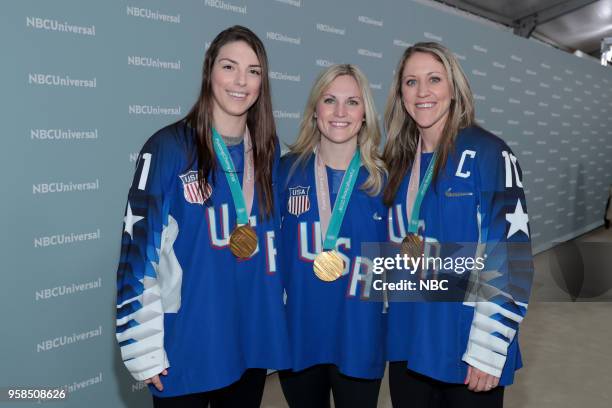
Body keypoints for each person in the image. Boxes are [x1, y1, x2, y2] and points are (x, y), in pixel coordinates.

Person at [115, 25, 289, 407]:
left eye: (254, 71)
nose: (241, 81)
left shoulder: (268, 152)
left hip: (249, 341)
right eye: (230, 67)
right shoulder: (168, 148)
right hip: (188, 345)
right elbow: (137, 253)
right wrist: (141, 347)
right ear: (209, 71)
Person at [383, 42, 534, 407]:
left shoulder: (488, 152)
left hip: (466, 347)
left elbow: (510, 255)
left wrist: (488, 348)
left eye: (434, 79)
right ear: (400, 94)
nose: (422, 92)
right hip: (408, 340)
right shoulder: (396, 163)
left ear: (454, 88)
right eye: (411, 82)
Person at [278, 64, 387, 408]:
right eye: (330, 100)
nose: (340, 112)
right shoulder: (284, 171)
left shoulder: (386, 181)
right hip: (299, 334)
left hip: (360, 336)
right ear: (315, 111)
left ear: (365, 114)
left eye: (352, 102)